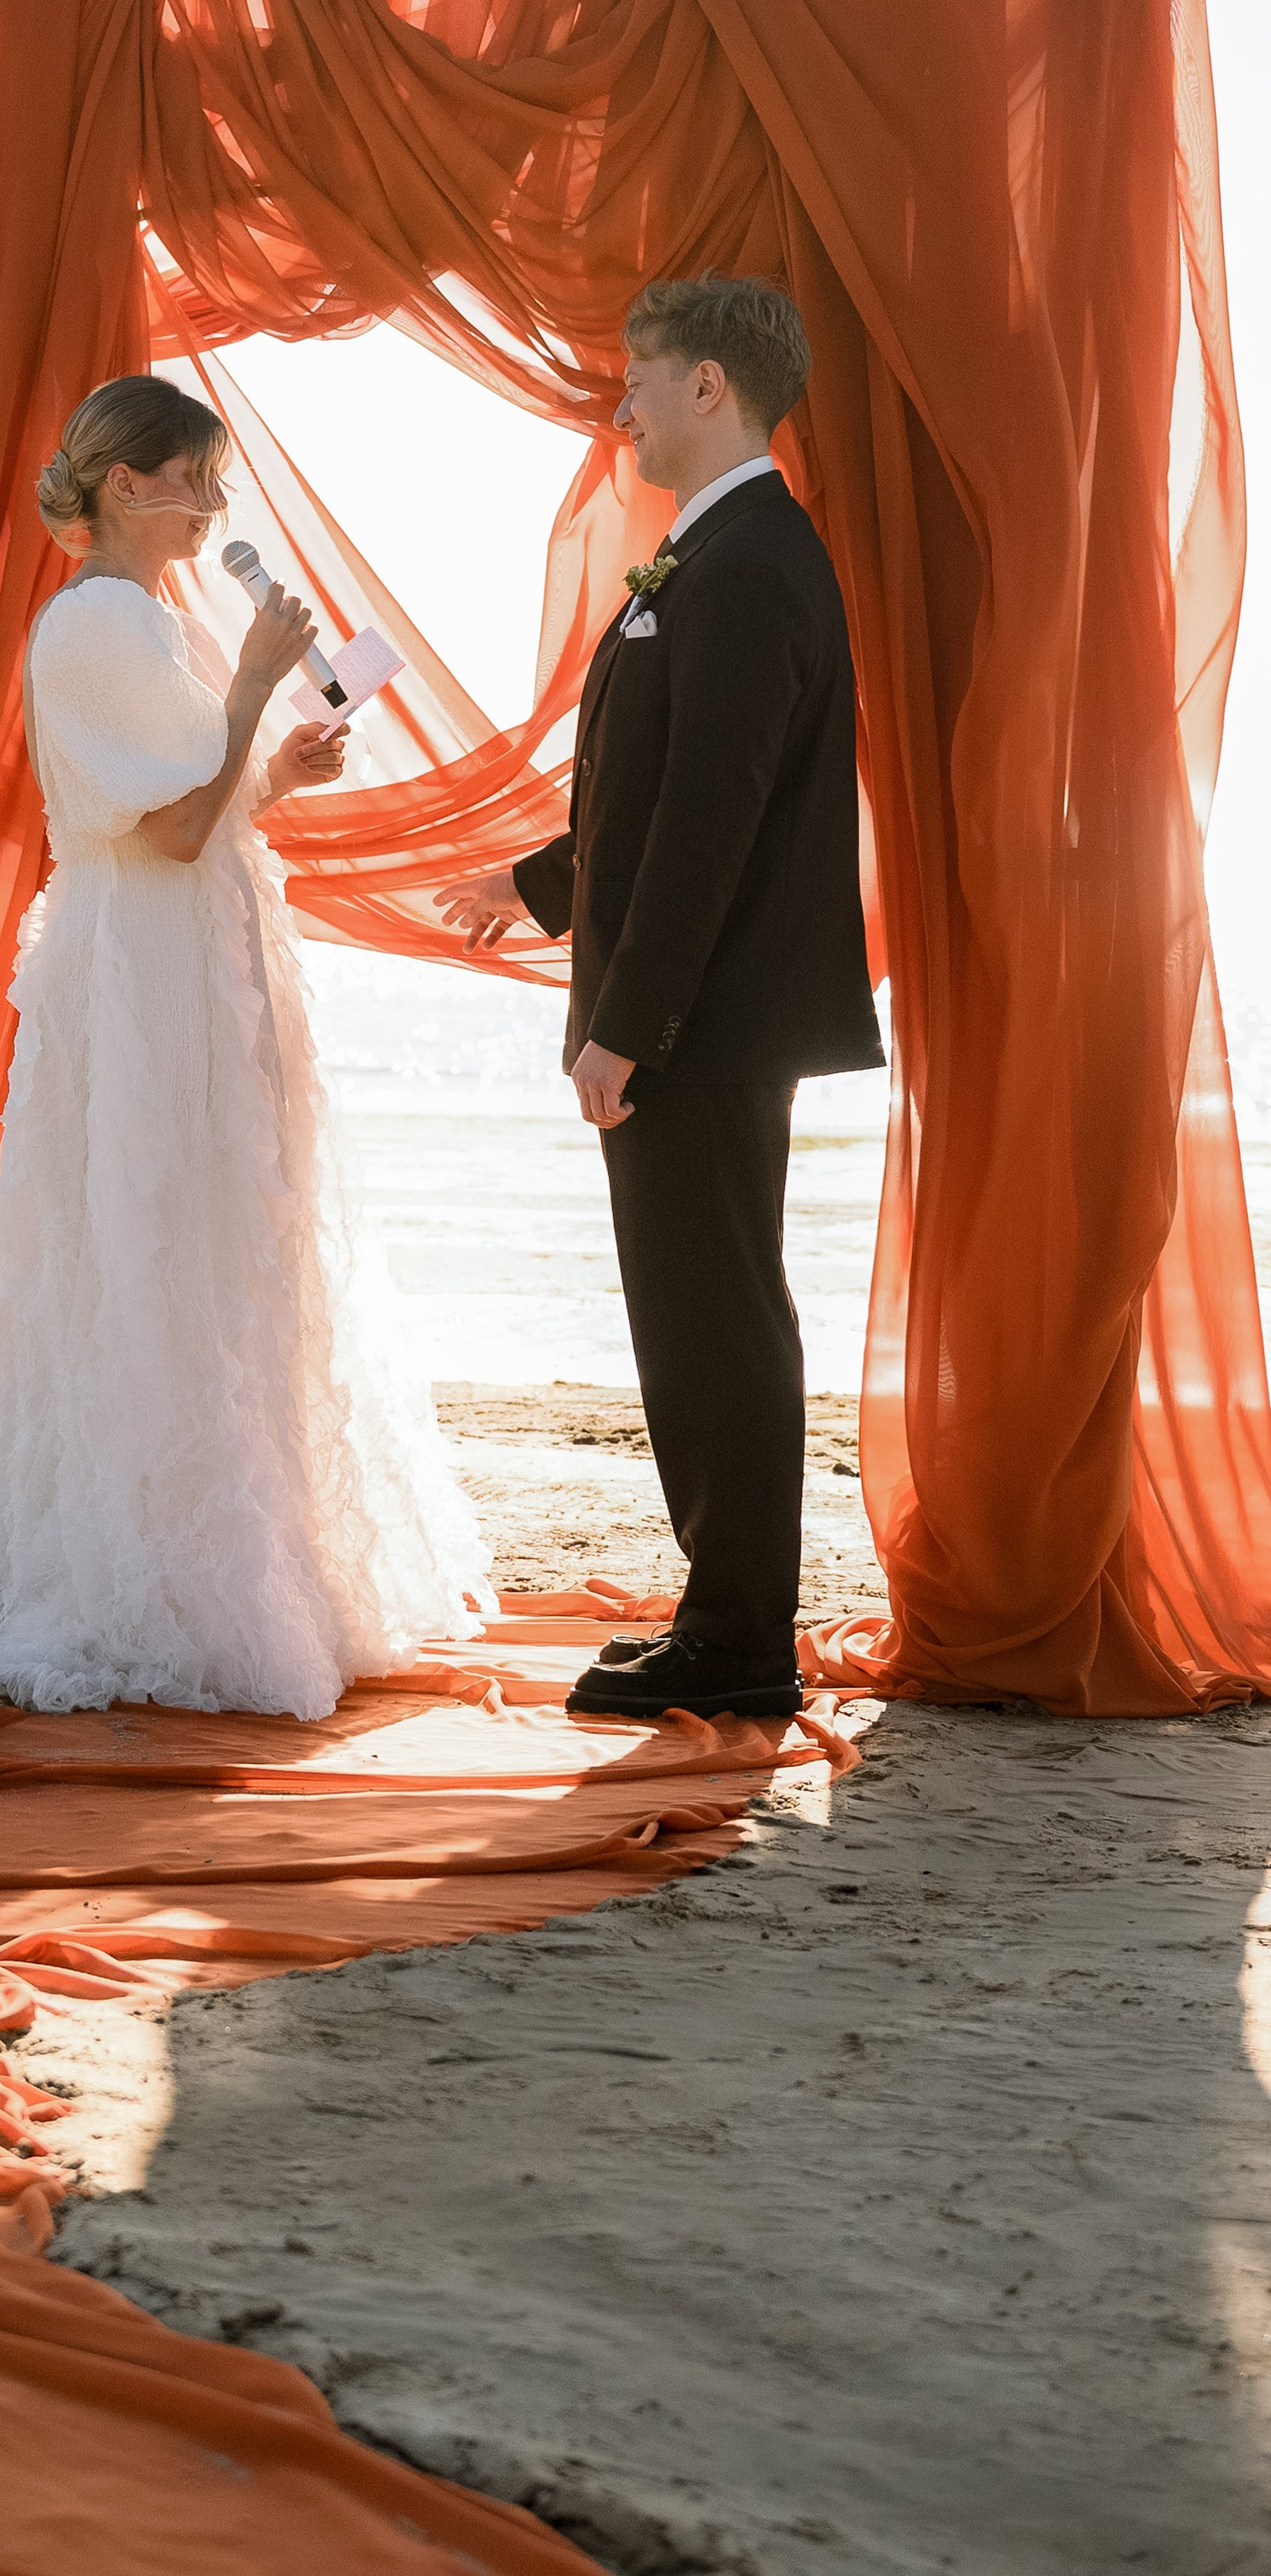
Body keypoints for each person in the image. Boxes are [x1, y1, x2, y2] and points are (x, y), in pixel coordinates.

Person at [0, 375, 493, 1714]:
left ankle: (241, 1537)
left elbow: (204, 804)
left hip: (193, 959)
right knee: (143, 1239)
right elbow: (171, 831)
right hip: (138, 970)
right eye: (195, 476)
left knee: (222, 1236)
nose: (213, 504)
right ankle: (138, 1561)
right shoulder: (93, 629)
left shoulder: (152, 621)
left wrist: (271, 768)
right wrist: (248, 696)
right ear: (129, 484)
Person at [438, 276, 883, 1722]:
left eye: (639, 375)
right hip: (706, 1015)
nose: (618, 402)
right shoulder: (716, 551)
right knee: (701, 1314)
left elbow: (712, 819)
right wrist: (541, 882)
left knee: (716, 1320)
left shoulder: (750, 564)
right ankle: (724, 1614)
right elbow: (656, 791)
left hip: (704, 1022)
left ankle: (742, 1643)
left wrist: (629, 1025)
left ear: (711, 387)